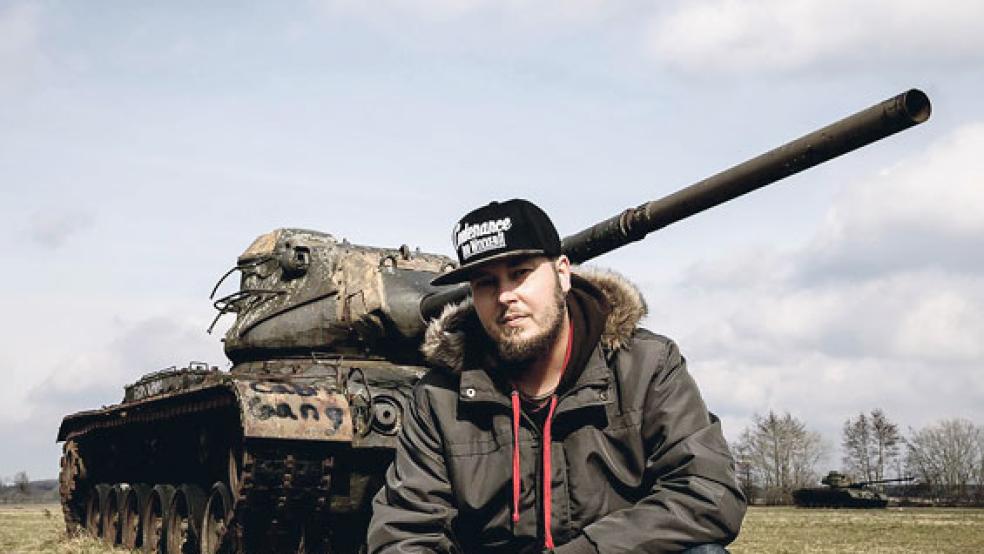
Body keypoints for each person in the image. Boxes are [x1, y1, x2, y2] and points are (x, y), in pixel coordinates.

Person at [368, 199, 746, 553]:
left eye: (520, 273)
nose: (505, 296)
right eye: (486, 283)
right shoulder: (440, 397)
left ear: (562, 274)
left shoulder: (646, 366)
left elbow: (706, 490)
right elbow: (406, 528)